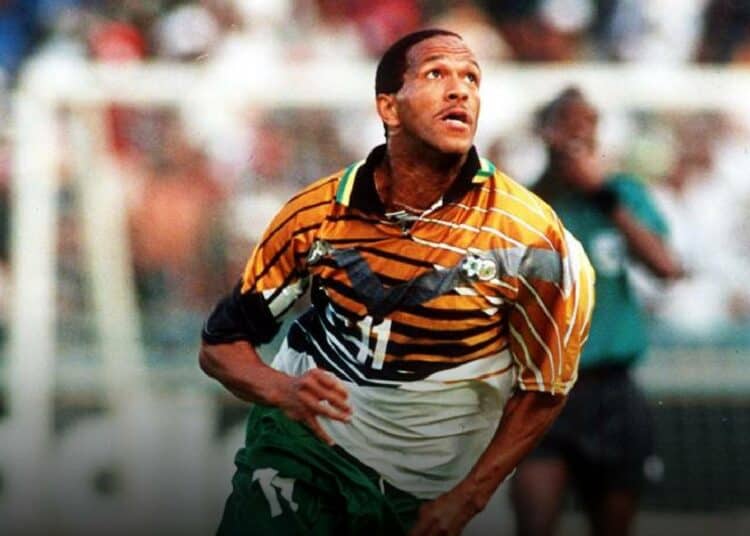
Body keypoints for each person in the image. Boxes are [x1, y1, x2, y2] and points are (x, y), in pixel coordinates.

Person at [199, 29, 594, 535]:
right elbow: (220, 345)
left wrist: (468, 499)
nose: (460, 90)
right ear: (388, 107)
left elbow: (544, 389)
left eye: (471, 78)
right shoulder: (315, 215)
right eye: (437, 74)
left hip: (427, 488)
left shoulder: (535, 240)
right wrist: (284, 389)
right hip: (306, 449)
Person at [511, 87, 684, 536]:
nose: (578, 133)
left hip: (611, 389)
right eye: (566, 122)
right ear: (545, 133)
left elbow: (666, 266)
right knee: (534, 524)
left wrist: (602, 196)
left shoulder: (621, 194)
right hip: (545, 391)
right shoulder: (527, 203)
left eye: (588, 123)